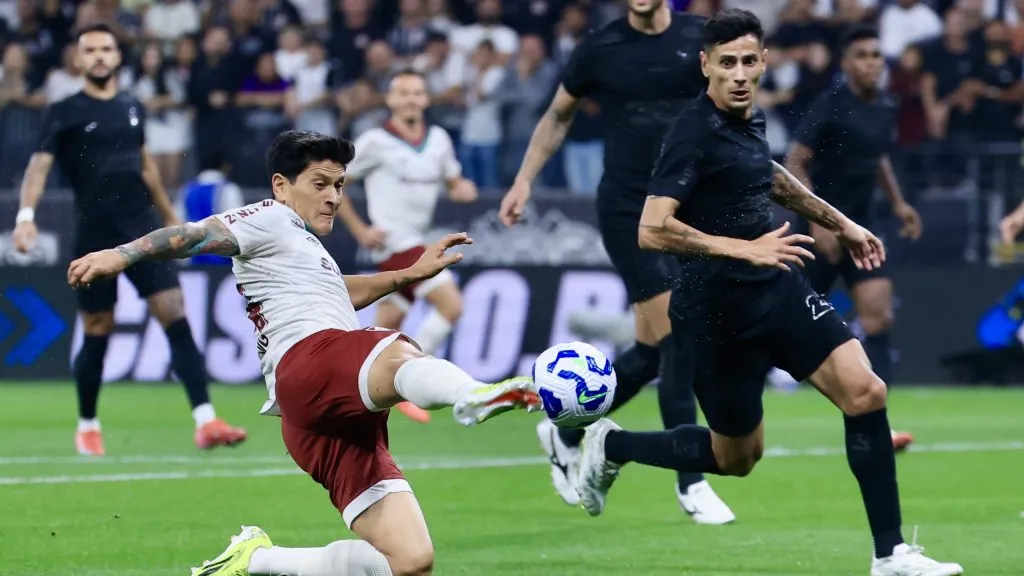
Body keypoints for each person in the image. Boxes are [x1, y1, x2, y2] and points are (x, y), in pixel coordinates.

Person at [575, 11, 963, 575]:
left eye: (748, 62)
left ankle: (891, 555)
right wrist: (742, 248)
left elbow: (771, 176)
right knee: (736, 459)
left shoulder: (750, 118)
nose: (738, 74)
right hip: (717, 316)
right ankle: (611, 447)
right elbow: (651, 229)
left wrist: (842, 223)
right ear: (705, 65)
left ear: (762, 63)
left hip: (778, 290)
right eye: (726, 63)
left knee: (865, 392)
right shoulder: (691, 132)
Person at [66, 130, 540, 576]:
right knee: (394, 348)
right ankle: (473, 394)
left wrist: (408, 274)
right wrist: (121, 254)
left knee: (410, 561)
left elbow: (339, 291)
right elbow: (193, 236)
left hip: (318, 418)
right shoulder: (269, 217)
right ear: (281, 185)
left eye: (339, 185)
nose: (333, 196)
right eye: (320, 184)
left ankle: (258, 560)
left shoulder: (302, 246)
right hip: (310, 365)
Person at [498, 0, 734, 524]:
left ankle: (563, 430)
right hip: (629, 211)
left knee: (651, 355)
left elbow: (726, 108)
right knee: (679, 339)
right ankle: (691, 482)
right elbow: (558, 115)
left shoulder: (700, 39)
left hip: (686, 207)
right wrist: (524, 180)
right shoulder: (600, 48)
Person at [11, 23, 246, 456]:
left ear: (118, 56)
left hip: (142, 230)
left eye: (106, 48)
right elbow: (39, 167)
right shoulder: (63, 111)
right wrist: (26, 217)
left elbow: (144, 165)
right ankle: (88, 425)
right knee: (98, 327)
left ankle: (206, 420)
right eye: (90, 50)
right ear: (78, 59)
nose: (99, 56)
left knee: (173, 312)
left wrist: (172, 219)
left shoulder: (131, 105)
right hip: (94, 233)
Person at [785, 24, 920, 453]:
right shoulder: (830, 105)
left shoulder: (886, 105)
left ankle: (879, 422)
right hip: (822, 230)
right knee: (788, 318)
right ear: (846, 63)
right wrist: (820, 221)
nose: (872, 63)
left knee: (879, 319)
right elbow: (795, 163)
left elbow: (877, 157)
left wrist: (898, 202)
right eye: (862, 55)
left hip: (863, 228)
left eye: (877, 55)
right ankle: (753, 388)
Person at [335, 70, 479, 425]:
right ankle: (411, 377)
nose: (411, 99)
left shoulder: (439, 139)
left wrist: (462, 189)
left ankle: (346, 389)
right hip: (395, 243)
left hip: (418, 238)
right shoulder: (375, 141)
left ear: (426, 99)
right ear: (390, 100)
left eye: (417, 93)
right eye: (404, 93)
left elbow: (453, 181)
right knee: (452, 305)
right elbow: (336, 182)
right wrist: (360, 229)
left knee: (384, 328)